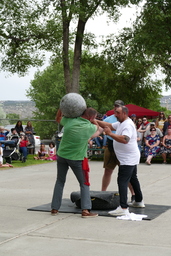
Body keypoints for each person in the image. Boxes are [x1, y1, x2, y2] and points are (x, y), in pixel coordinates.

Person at [51, 107, 102, 218]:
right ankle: (85, 210)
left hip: (62, 155)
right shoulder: (90, 127)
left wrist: (61, 107)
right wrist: (94, 121)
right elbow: (99, 129)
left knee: (60, 181)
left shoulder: (69, 121)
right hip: (77, 158)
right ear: (91, 117)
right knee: (84, 183)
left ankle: (54, 208)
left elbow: (58, 118)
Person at [96, 105, 144, 216]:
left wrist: (110, 134)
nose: (115, 114)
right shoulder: (121, 123)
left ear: (124, 113)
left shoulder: (127, 125)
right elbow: (108, 125)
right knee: (133, 179)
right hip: (129, 157)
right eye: (115, 112)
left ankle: (123, 207)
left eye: (117, 112)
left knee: (122, 180)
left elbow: (125, 139)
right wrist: (95, 120)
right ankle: (139, 200)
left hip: (128, 158)